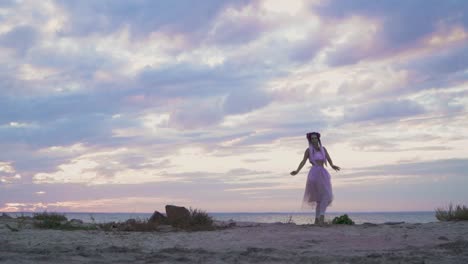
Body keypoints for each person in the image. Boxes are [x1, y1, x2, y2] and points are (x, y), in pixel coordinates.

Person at [290, 132, 340, 225]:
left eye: (315, 138)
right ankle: (321, 218)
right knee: (326, 195)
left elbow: (329, 159)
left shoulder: (323, 149)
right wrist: (297, 171)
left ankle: (317, 220)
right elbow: (303, 161)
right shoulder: (308, 150)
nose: (314, 140)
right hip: (314, 174)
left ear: (318, 139)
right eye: (312, 139)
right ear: (310, 140)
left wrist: (333, 165)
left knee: (323, 198)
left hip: (323, 173)